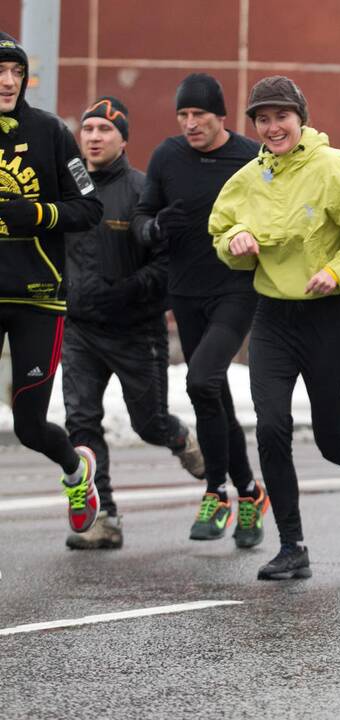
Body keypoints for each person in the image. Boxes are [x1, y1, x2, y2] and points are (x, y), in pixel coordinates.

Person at [211, 76, 340, 580]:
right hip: (273, 316)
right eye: (263, 119)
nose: (272, 128)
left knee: (330, 438)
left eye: (281, 117)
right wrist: (235, 239)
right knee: (272, 429)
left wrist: (338, 271)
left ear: (301, 118)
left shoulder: (336, 170)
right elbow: (222, 226)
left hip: (329, 316)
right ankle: (292, 545)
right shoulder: (249, 178)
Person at [62, 96, 207, 550]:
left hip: (135, 330)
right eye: (88, 130)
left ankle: (182, 439)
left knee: (149, 424)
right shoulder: (65, 189)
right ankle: (103, 517)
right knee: (81, 423)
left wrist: (126, 290)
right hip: (79, 329)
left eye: (105, 130)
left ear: (123, 140)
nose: (94, 137)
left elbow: (167, 268)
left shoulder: (144, 192)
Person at [133, 73, 265, 544]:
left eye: (199, 116)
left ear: (220, 116)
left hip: (235, 288)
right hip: (185, 291)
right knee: (214, 396)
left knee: (202, 381)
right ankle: (249, 492)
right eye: (183, 115)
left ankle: (216, 492)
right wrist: (152, 228)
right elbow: (142, 216)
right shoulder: (167, 156)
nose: (190, 124)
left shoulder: (250, 156)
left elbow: (278, 208)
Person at [0, 32, 104, 534]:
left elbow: (90, 207)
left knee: (29, 426)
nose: (7, 81)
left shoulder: (49, 132)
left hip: (36, 298)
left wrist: (38, 213)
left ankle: (75, 470)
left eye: (15, 71)